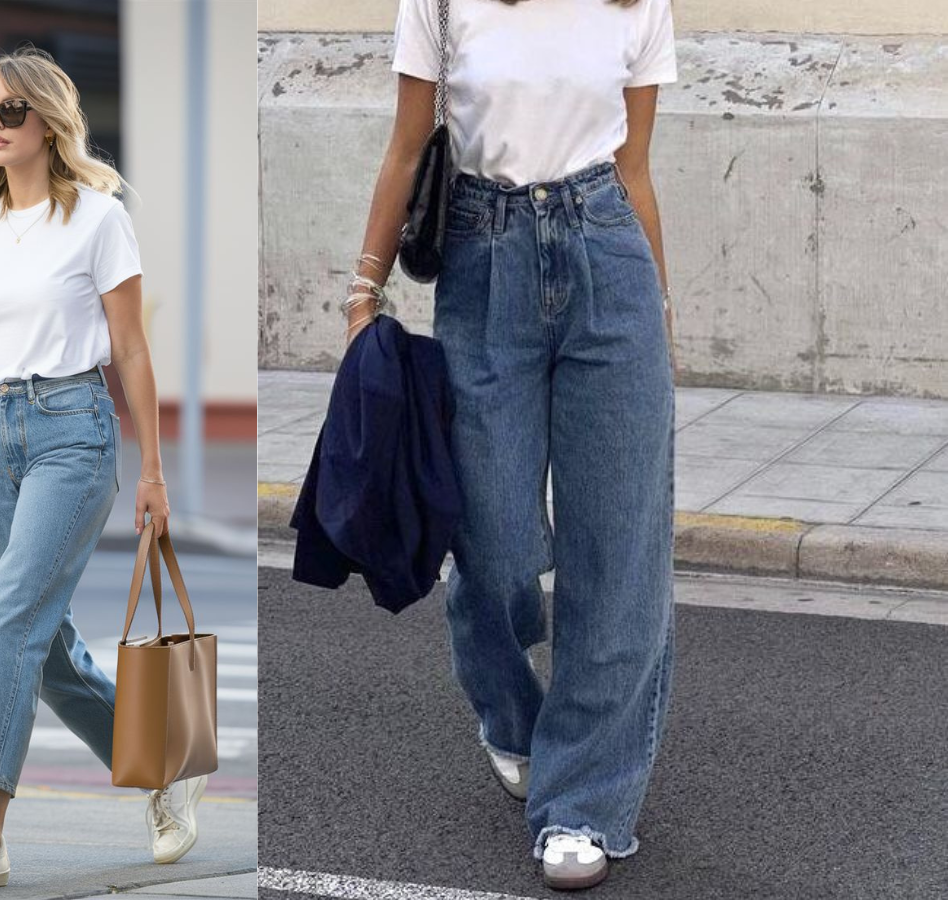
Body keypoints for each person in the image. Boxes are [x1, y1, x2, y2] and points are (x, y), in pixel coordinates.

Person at [346, 0, 680, 890]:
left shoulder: (636, 4)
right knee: (490, 542)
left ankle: (582, 803)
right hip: (483, 261)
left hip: (609, 261)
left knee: (616, 551)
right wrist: (362, 293)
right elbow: (407, 145)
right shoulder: (441, 3)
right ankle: (507, 710)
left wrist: (661, 313)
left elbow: (634, 168)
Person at [0, 46, 206, 894]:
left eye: (11, 112)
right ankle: (167, 767)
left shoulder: (98, 216)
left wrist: (153, 471)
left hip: (74, 431)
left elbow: (133, 350)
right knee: (42, 648)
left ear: (50, 120)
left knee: (8, 622)